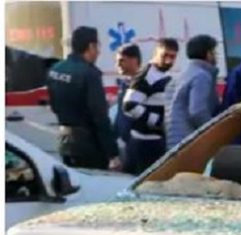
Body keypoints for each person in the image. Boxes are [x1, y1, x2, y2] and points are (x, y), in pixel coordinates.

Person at [47, 26, 120, 170]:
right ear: (90, 46)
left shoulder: (56, 69)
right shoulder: (89, 74)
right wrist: (113, 153)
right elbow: (100, 117)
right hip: (88, 146)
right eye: (97, 46)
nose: (98, 52)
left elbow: (54, 105)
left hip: (65, 141)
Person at [122, 38, 178, 174]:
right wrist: (158, 121)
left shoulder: (162, 74)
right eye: (165, 56)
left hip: (155, 141)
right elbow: (129, 105)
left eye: (172, 57)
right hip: (144, 143)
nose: (168, 61)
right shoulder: (147, 75)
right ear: (156, 53)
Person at [165, 34, 219, 150]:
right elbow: (197, 112)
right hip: (191, 142)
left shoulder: (180, 76)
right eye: (214, 52)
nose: (216, 56)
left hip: (173, 141)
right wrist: (215, 132)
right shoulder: (201, 76)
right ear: (208, 54)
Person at [113, 43, 141, 173]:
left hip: (139, 144)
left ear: (134, 60)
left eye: (121, 60)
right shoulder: (125, 85)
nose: (118, 65)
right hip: (126, 145)